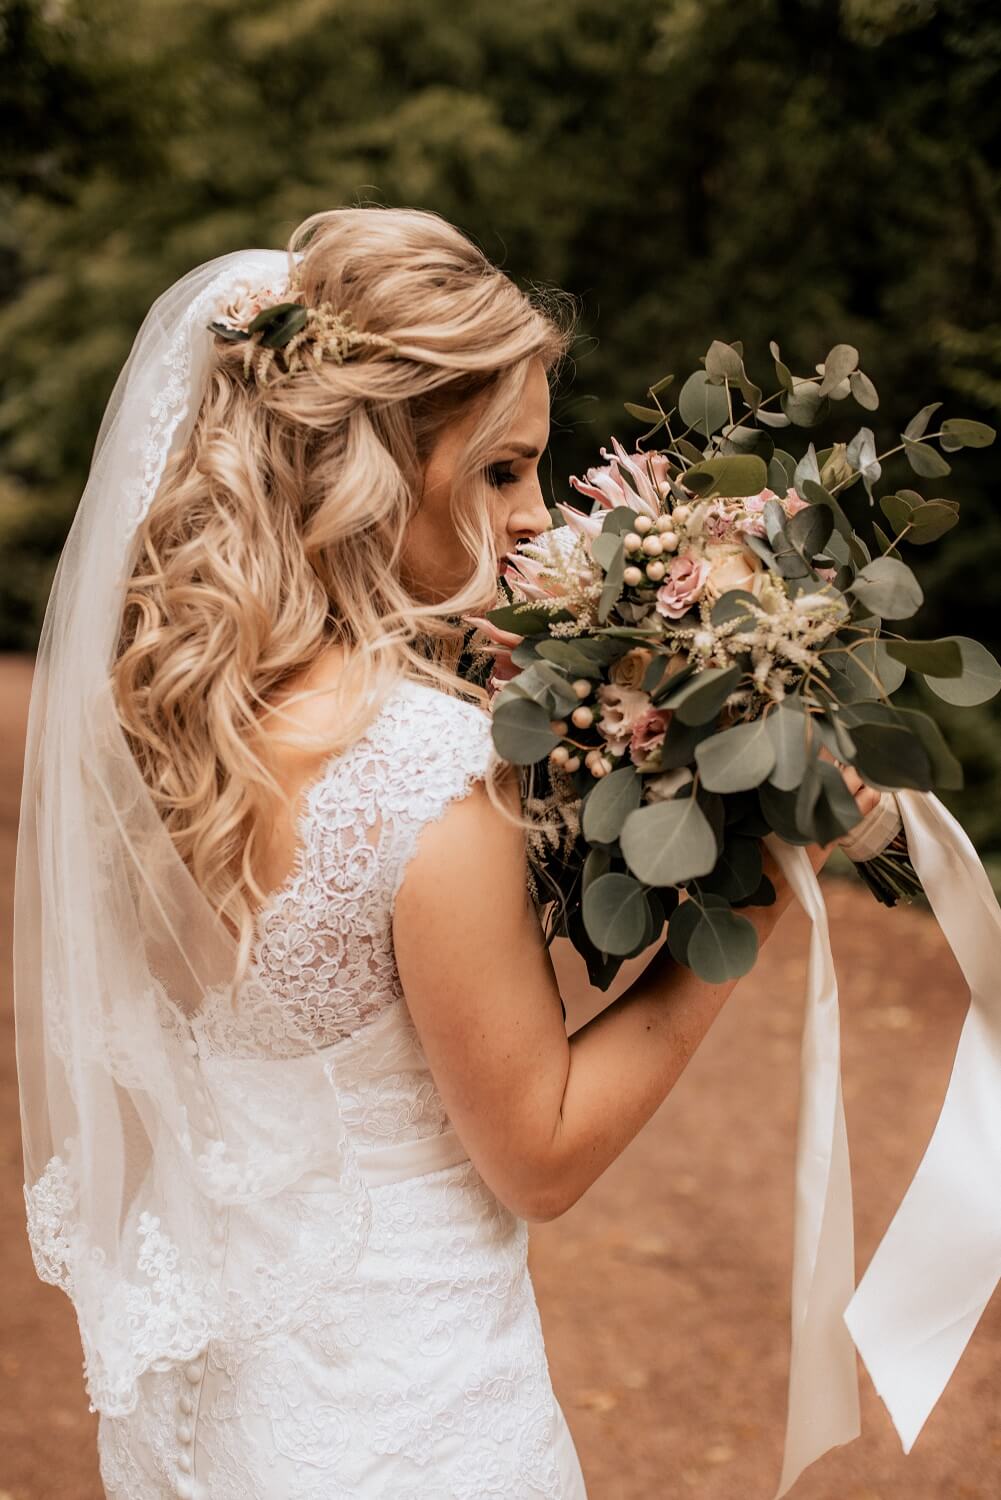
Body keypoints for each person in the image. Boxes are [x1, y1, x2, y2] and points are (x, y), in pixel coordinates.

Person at [14, 204, 882, 1500]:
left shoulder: (155, 717)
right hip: (415, 1425)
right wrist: (750, 894)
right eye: (499, 470)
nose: (537, 518)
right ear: (371, 462)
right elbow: (540, 1151)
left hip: (212, 1415)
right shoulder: (420, 768)